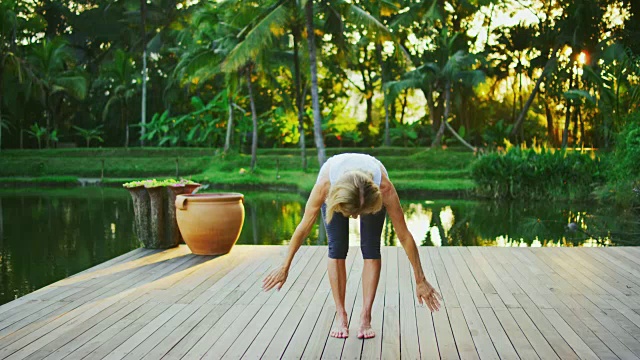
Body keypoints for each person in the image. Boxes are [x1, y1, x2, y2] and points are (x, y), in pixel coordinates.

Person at [262, 153, 441, 339]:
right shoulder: (325, 186)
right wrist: (285, 267)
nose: (355, 217)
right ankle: (341, 315)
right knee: (337, 248)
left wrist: (420, 279)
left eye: (359, 213)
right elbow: (303, 228)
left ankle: (366, 316)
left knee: (371, 248)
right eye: (352, 213)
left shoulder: (384, 188)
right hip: (339, 190)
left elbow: (404, 236)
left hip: (370, 193)